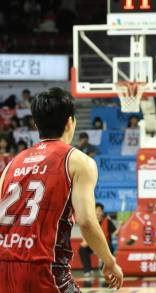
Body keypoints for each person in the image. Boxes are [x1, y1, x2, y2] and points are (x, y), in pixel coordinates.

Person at [0, 87, 123, 292]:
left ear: (36, 123)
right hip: (44, 267)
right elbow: (86, 221)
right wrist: (109, 261)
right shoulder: (78, 161)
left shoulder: (13, 163)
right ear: (70, 122)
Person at [79, 203, 117, 277]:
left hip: (105, 245)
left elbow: (115, 233)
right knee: (82, 249)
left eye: (100, 211)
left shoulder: (108, 221)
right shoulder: (89, 222)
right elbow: (85, 234)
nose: (98, 212)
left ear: (102, 212)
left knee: (109, 247)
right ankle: (87, 270)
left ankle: (105, 269)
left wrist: (122, 226)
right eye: (96, 210)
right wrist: (85, 241)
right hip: (93, 244)